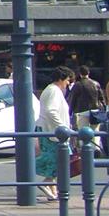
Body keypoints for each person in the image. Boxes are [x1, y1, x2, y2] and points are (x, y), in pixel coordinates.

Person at [36, 66, 73, 201]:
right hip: (52, 131)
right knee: (58, 159)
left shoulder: (51, 90)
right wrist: (62, 126)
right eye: (68, 80)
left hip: (50, 130)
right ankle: (47, 182)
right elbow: (51, 111)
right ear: (61, 78)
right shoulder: (54, 91)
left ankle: (53, 189)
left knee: (55, 159)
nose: (68, 83)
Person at [68, 65, 106, 142]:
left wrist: (70, 112)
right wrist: (104, 109)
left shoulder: (78, 85)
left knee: (83, 132)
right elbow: (102, 98)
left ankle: (85, 150)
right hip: (95, 111)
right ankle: (96, 149)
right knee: (95, 132)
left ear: (80, 74)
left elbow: (72, 99)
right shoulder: (96, 84)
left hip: (82, 111)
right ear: (88, 72)